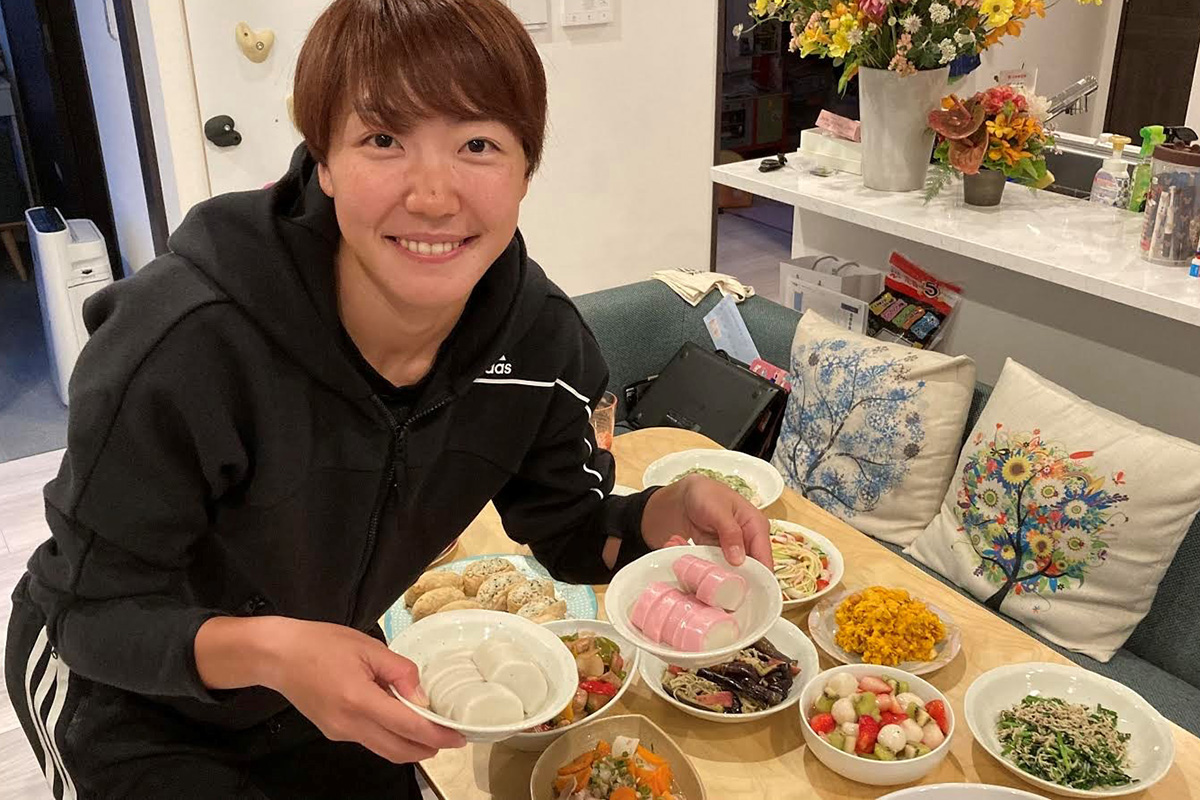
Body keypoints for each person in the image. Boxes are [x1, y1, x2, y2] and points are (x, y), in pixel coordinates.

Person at [4, 1, 772, 797]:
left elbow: (573, 533)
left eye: (478, 145)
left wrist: (665, 509)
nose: (433, 196)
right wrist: (275, 652)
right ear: (324, 161)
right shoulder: (186, 342)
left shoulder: (540, 348)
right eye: (383, 140)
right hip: (133, 695)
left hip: (326, 666)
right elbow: (89, 613)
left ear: (525, 171)